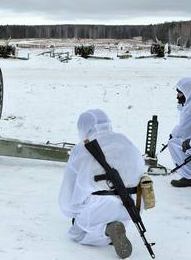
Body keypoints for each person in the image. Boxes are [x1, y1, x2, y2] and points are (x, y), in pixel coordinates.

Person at [59, 109, 144, 258]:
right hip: (130, 206)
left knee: (78, 233)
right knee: (111, 215)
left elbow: (69, 190)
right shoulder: (126, 141)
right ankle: (114, 229)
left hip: (97, 205)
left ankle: (106, 230)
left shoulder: (82, 149)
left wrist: (72, 211)